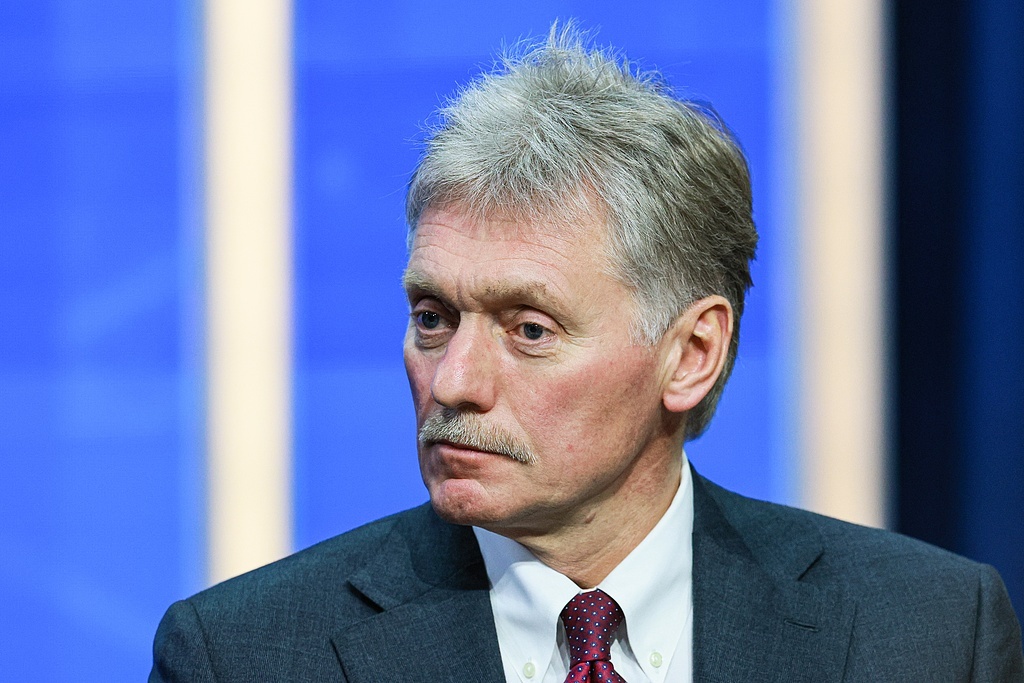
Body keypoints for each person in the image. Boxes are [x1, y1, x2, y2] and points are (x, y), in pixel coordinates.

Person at [150, 26, 1024, 682]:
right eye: (433, 317)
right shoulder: (243, 655)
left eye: (529, 328)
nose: (454, 380)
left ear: (692, 353)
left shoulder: (928, 632)